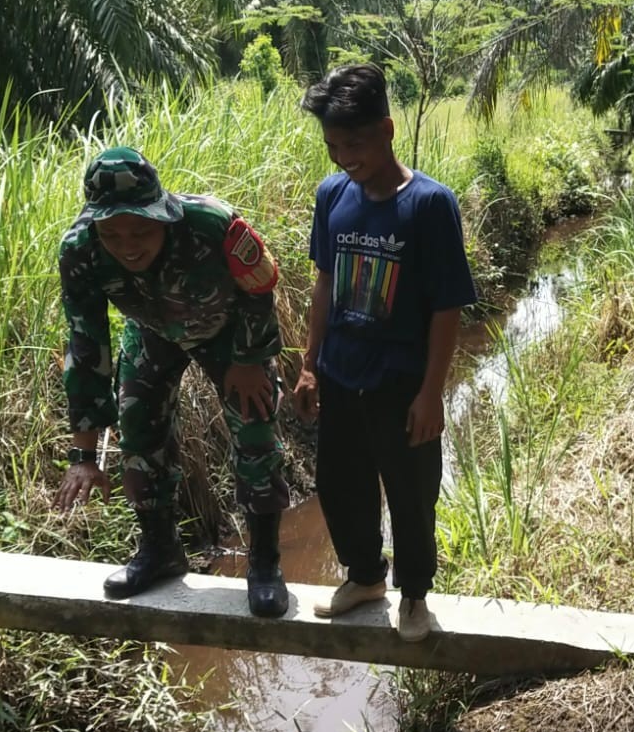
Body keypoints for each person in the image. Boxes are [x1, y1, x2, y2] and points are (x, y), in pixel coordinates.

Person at [53, 145, 291, 617]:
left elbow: (260, 286)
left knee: (255, 425)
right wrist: (83, 454)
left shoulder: (211, 225)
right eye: (112, 233)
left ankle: (265, 564)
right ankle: (160, 550)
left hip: (228, 332)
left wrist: (247, 360)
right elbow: (86, 347)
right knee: (138, 426)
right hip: (152, 330)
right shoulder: (80, 250)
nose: (128, 244)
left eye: (141, 229)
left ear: (161, 215)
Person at [293, 64, 477, 642]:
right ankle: (366, 576)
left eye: (355, 142)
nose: (344, 156)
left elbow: (447, 307)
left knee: (410, 490)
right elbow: (325, 282)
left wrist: (432, 393)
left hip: (401, 379)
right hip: (341, 372)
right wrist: (307, 363)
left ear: (388, 130)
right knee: (340, 483)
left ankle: (414, 593)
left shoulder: (429, 205)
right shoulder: (332, 197)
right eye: (333, 145)